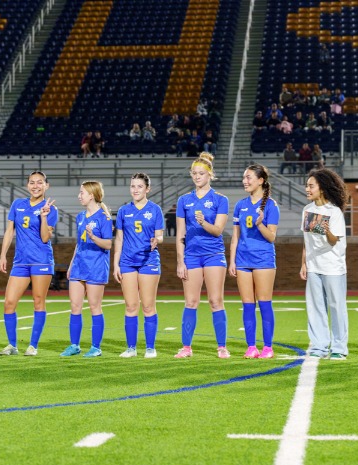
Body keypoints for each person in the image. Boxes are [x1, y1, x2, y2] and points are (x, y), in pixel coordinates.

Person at [175, 152, 230, 358]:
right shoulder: (184, 200)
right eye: (194, 173)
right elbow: (180, 234)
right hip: (191, 256)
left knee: (216, 301)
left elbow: (218, 230)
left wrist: (203, 222)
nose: (197, 177)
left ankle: (222, 347)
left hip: (214, 254)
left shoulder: (220, 199)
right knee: (190, 302)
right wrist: (180, 261)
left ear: (210, 175)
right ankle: (186, 348)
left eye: (201, 173)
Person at [0, 172, 58, 356]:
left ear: (46, 186)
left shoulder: (51, 209)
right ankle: (12, 345)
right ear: (27, 185)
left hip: (41, 260)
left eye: (40, 183)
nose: (35, 186)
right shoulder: (17, 204)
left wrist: (44, 216)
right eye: (32, 182)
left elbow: (45, 237)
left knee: (38, 301)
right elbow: (9, 231)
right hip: (20, 262)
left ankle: (32, 346)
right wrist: (3, 255)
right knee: (9, 302)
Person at [229, 164, 280, 359]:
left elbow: (272, 237)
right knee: (248, 305)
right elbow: (235, 237)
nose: (245, 181)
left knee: (264, 304)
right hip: (243, 260)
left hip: (263, 260)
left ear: (261, 180)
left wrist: (260, 224)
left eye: (249, 177)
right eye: (244, 177)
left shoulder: (271, 206)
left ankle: (268, 347)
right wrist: (232, 261)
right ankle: (251, 347)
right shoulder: (240, 205)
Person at [113, 173, 164, 358]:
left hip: (148, 261)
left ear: (147, 189)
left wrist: (156, 240)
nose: (135, 190)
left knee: (148, 306)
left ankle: (150, 348)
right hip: (127, 262)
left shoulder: (155, 210)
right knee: (130, 306)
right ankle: (131, 348)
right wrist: (116, 264)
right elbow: (119, 239)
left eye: (139, 186)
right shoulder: (123, 211)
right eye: (133, 186)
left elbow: (160, 235)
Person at [299, 169, 349, 360]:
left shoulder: (334, 212)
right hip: (313, 266)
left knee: (336, 307)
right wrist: (304, 263)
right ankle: (319, 346)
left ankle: (339, 348)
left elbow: (333, 241)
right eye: (307, 186)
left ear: (322, 188)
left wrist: (327, 230)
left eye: (311, 186)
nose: (307, 189)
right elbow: (307, 240)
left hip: (333, 267)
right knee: (315, 307)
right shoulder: (307, 210)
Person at [60, 181, 113, 357]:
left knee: (94, 307)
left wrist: (94, 237)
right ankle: (74, 345)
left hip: (96, 267)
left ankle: (96, 347)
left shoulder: (104, 218)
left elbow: (108, 244)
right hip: (79, 266)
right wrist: (71, 264)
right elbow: (79, 243)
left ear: (91, 195)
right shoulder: (80, 216)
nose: (79, 196)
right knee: (75, 306)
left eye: (82, 193)